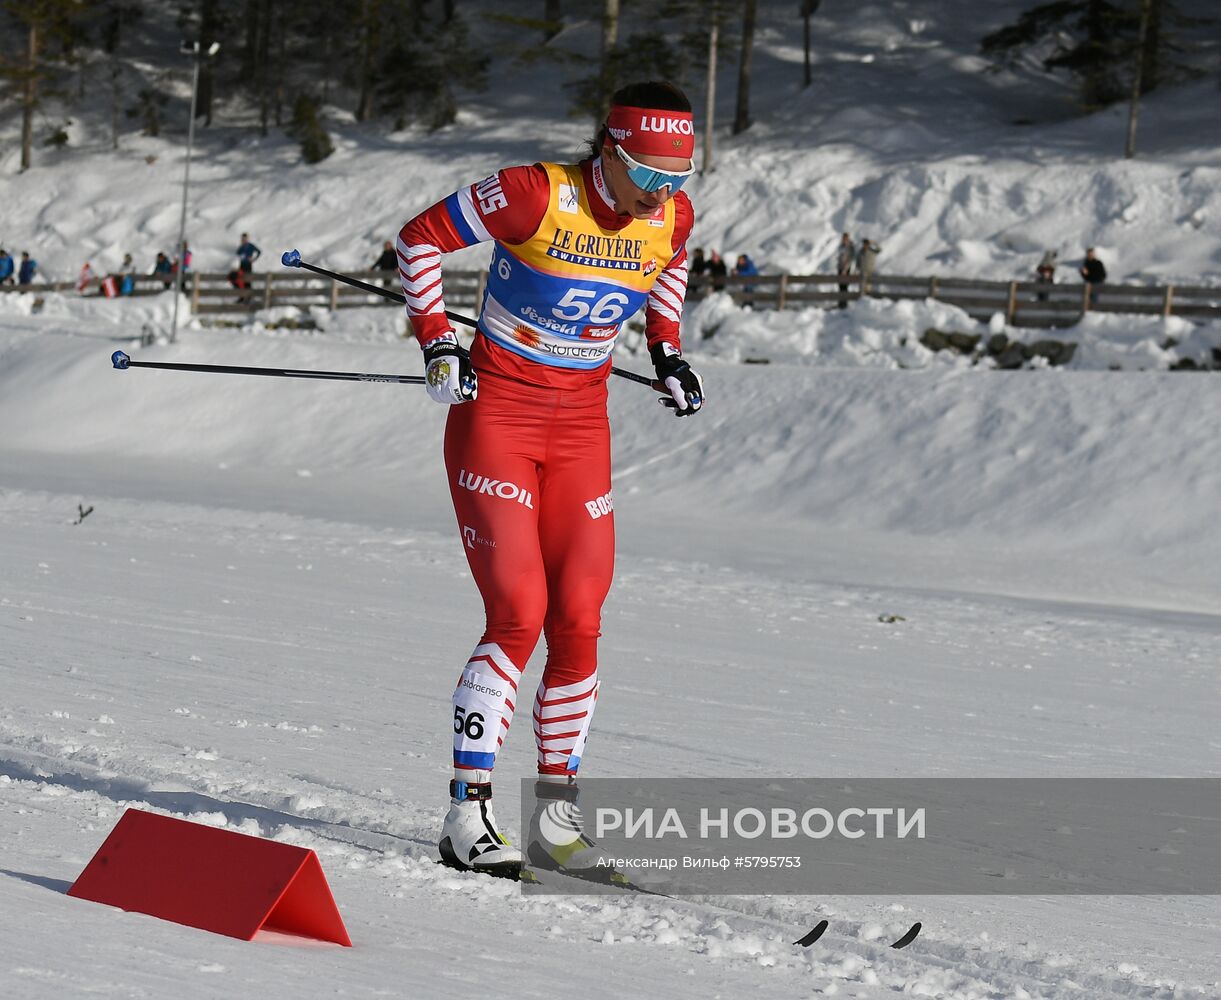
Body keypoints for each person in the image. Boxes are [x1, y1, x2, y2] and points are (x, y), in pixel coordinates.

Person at [396, 79, 704, 878]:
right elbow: (418, 240)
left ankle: (557, 824)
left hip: (580, 429)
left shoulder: (668, 213)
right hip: (496, 419)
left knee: (579, 618)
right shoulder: (535, 194)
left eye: (679, 177)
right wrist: (437, 340)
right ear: (610, 151)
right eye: (649, 175)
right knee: (519, 613)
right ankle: (466, 816)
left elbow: (668, 268)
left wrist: (665, 350)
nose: (662, 193)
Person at [835, 232, 856, 309]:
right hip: (840, 268)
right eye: (843, 238)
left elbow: (850, 259)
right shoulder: (841, 246)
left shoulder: (850, 247)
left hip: (846, 269)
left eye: (846, 238)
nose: (844, 240)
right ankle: (841, 303)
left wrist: (845, 269)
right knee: (840, 286)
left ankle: (844, 303)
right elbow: (840, 257)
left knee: (845, 286)